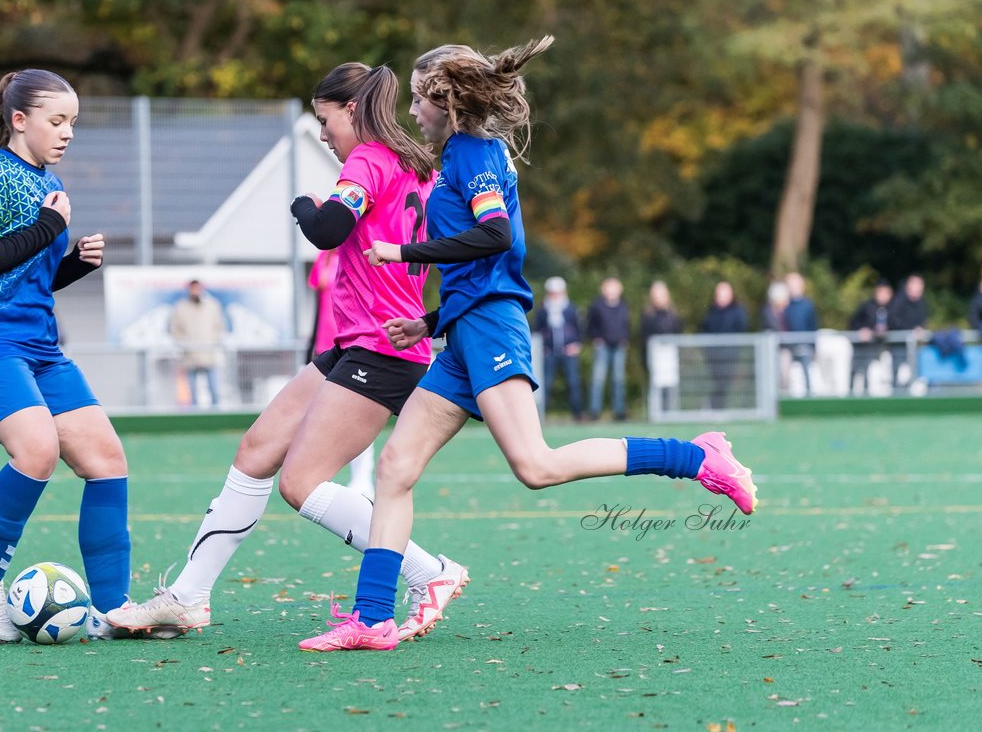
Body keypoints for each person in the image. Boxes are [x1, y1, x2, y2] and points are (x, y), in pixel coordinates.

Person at [299, 38, 758, 652]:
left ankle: (697, 457)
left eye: (416, 101)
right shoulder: (460, 155)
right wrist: (431, 322)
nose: (411, 114)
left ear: (445, 100)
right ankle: (372, 618)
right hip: (464, 333)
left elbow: (494, 238)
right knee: (394, 468)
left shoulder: (472, 153)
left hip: (491, 328)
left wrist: (403, 252)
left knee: (535, 466)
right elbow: (479, 262)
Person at [107, 62, 467, 642]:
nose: (322, 134)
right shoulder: (415, 165)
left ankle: (431, 573)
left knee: (300, 484)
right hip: (356, 342)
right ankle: (188, 597)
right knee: (256, 450)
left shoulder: (369, 159)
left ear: (351, 110)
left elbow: (326, 228)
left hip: (382, 348)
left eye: (324, 120)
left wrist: (301, 203)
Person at [0, 69, 130, 642]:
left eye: (73, 123)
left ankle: (114, 608)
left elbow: (25, 279)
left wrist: (74, 263)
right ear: (20, 121)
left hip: (37, 345)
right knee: (37, 449)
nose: (67, 133)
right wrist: (51, 226)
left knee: (105, 459)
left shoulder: (48, 180)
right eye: (56, 121)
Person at [309, 247, 375, 496]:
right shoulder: (323, 257)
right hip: (326, 343)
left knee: (355, 413)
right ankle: (325, 473)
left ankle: (362, 477)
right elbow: (319, 304)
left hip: (354, 340)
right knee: (325, 415)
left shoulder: (360, 250)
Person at [168, 279, 226, 407]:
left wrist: (213, 342)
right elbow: (175, 330)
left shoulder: (212, 305)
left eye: (197, 288)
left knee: (214, 391)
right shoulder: (181, 307)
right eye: (192, 288)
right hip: (190, 356)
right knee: (192, 395)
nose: (195, 291)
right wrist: (186, 345)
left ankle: (216, 420)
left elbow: (219, 327)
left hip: (210, 355)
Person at [534, 276, 583, 421]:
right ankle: (539, 415)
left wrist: (576, 344)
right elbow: (537, 329)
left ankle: (578, 414)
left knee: (573, 382)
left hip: (568, 351)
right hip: (549, 352)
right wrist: (543, 347)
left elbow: (579, 328)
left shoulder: (571, 308)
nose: (555, 295)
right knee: (545, 383)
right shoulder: (542, 309)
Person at [699, 281, 749, 410]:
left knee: (725, 382)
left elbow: (741, 327)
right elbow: (706, 329)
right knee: (718, 382)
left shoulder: (737, 310)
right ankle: (716, 406)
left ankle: (717, 406)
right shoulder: (711, 311)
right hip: (714, 355)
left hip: (730, 354)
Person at [586, 276, 629, 421]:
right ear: (603, 289)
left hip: (619, 346)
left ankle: (619, 411)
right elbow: (590, 325)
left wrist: (624, 338)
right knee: (598, 379)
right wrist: (596, 338)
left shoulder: (623, 305)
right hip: (602, 346)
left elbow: (626, 325)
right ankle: (594, 411)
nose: (611, 291)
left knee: (618, 380)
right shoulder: (597, 305)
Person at [640, 280, 684, 408]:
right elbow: (644, 335)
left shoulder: (673, 315)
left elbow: (678, 331)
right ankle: (656, 411)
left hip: (670, 354)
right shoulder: (648, 315)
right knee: (655, 384)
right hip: (654, 355)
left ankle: (670, 410)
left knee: (671, 384)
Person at [848, 278, 893, 395]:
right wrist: (862, 330)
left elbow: (898, 324)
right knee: (858, 371)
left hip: (883, 348)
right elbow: (853, 321)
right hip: (864, 347)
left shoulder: (894, 308)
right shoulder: (867, 306)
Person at [889, 274, 927, 389]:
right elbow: (893, 321)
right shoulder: (898, 301)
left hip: (914, 346)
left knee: (914, 373)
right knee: (898, 373)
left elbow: (923, 320)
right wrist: (911, 330)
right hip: (899, 345)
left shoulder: (921, 303)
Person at [783, 272, 818, 396]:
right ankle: (785, 398)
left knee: (807, 372)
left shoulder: (808, 305)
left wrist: (814, 347)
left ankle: (809, 397)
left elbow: (813, 326)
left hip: (805, 345)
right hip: (787, 346)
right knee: (784, 373)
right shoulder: (784, 305)